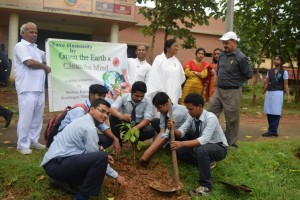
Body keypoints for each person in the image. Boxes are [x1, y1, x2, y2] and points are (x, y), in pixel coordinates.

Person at [41, 99, 125, 200]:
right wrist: (116, 176)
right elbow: (96, 157)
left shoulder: (83, 120)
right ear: (92, 109)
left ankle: (63, 181)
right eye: (102, 111)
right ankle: (81, 197)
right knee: (101, 158)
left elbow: (87, 149)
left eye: (107, 113)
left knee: (100, 156)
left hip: (54, 163)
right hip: (56, 165)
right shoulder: (89, 127)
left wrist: (101, 153)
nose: (105, 116)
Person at [168, 93, 228, 197]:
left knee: (202, 150)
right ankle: (206, 162)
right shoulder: (192, 117)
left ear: (200, 106)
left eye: (191, 109)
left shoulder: (211, 118)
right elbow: (181, 132)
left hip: (219, 148)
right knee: (178, 152)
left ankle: (206, 186)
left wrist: (181, 143)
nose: (188, 112)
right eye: (187, 109)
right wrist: (173, 128)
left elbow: (203, 140)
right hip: (202, 146)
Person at [207, 31, 253, 148]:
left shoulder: (241, 57)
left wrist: (235, 81)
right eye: (223, 43)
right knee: (210, 113)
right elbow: (219, 71)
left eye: (226, 43)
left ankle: (230, 143)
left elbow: (248, 74)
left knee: (232, 119)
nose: (224, 45)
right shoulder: (222, 55)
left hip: (233, 92)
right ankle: (210, 137)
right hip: (219, 90)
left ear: (234, 42)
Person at [14, 22, 51, 154]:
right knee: (26, 117)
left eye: (35, 32)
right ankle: (22, 145)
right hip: (27, 88)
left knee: (37, 117)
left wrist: (50, 44)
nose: (34, 34)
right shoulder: (20, 46)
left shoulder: (36, 48)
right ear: (22, 33)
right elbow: (28, 62)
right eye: (31, 32)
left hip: (39, 89)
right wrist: (44, 67)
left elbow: (48, 55)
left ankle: (33, 140)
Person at [58, 84, 121, 156]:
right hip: (66, 138)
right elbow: (77, 132)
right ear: (91, 95)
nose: (102, 99)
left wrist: (115, 139)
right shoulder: (80, 110)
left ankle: (90, 153)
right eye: (100, 96)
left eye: (104, 96)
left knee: (108, 138)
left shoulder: (97, 108)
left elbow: (103, 126)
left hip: (80, 135)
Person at [140, 92, 190, 163]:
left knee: (179, 151)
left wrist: (147, 153)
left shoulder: (177, 113)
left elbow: (166, 135)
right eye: (156, 108)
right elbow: (162, 130)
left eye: (159, 107)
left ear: (166, 104)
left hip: (185, 134)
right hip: (173, 131)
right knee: (155, 121)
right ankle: (164, 145)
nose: (158, 110)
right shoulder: (164, 111)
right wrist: (148, 150)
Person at [110, 81, 155, 146]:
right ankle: (118, 142)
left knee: (150, 131)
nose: (139, 98)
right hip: (125, 123)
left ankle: (135, 141)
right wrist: (121, 116)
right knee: (112, 117)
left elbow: (147, 118)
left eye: (142, 96)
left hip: (139, 125)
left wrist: (135, 128)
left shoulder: (147, 101)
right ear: (131, 91)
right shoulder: (123, 97)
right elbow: (112, 108)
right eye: (137, 96)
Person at [146, 39, 186, 104]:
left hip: (173, 94)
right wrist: (162, 92)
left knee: (171, 111)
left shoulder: (177, 62)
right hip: (160, 92)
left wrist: (179, 95)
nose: (177, 48)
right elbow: (154, 77)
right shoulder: (159, 59)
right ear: (168, 48)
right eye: (175, 46)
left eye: (177, 46)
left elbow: (179, 80)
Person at [261, 55, 291, 137]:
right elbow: (266, 83)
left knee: (276, 112)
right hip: (269, 93)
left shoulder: (284, 72)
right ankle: (273, 130)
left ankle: (272, 131)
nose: (275, 60)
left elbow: (286, 85)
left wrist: (288, 95)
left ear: (281, 62)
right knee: (269, 111)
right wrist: (262, 93)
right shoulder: (270, 71)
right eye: (275, 59)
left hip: (278, 93)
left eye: (277, 60)